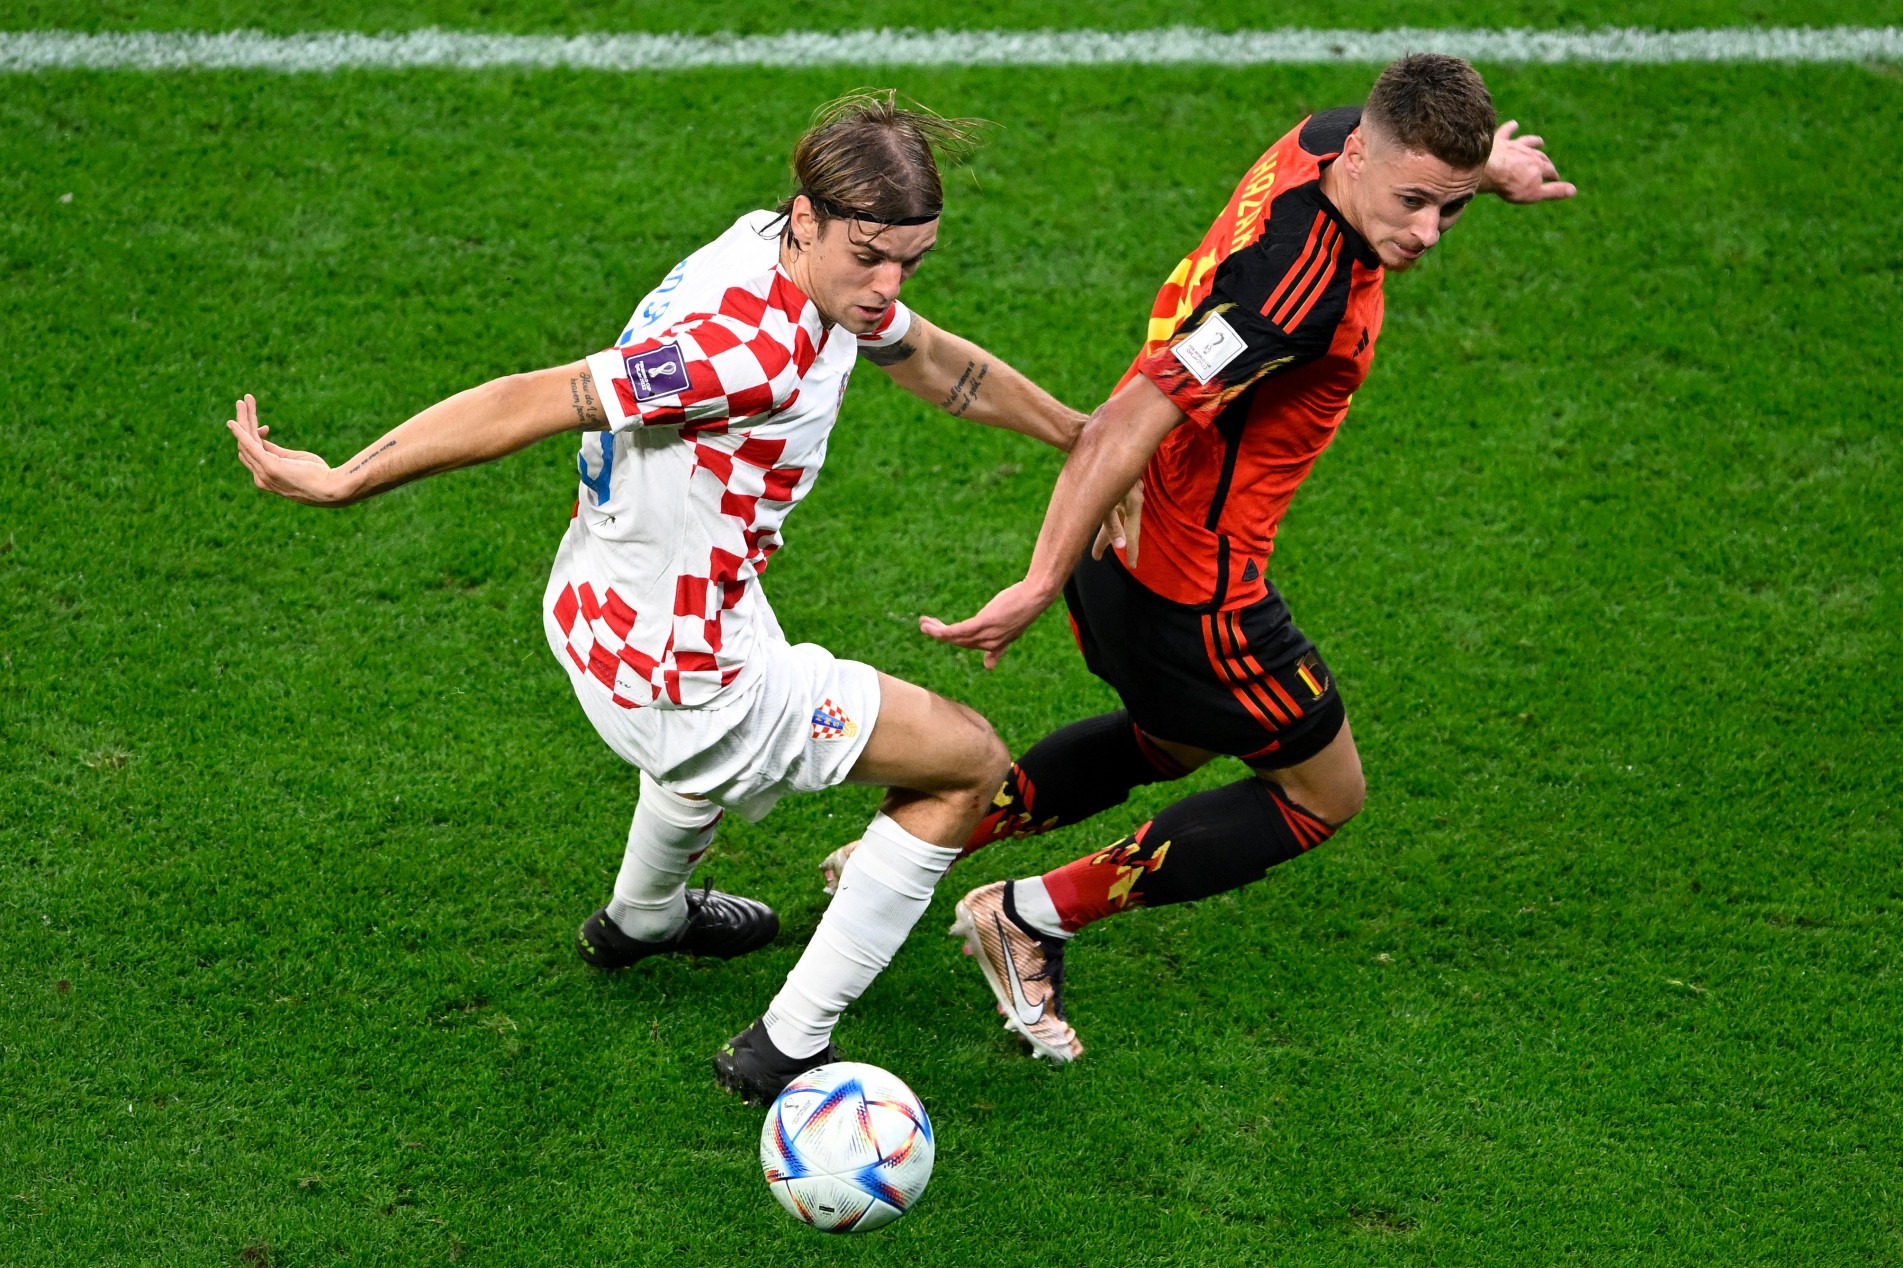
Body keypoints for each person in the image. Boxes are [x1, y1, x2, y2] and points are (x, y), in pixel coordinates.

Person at [225, 91, 1088, 1102]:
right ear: (809, 220)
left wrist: (1078, 438)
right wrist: (344, 477)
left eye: (910, 260)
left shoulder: (769, 248)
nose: (887, 285)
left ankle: (641, 920)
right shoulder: (747, 351)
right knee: (967, 763)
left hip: (600, 604)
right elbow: (534, 397)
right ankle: (788, 1044)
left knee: (715, 727)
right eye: (870, 257)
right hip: (690, 676)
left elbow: (922, 351)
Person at [918, 55, 1578, 1062]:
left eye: (1450, 210)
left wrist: (1492, 169)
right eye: (1413, 203)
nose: (1427, 233)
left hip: (1124, 543)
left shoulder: (1325, 139)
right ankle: (1027, 913)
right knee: (1322, 793)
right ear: (1363, 154)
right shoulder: (1292, 294)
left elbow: (1410, 156)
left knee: (1176, 739)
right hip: (1195, 592)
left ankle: (908, 850)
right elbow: (1119, 425)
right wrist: (1036, 578)